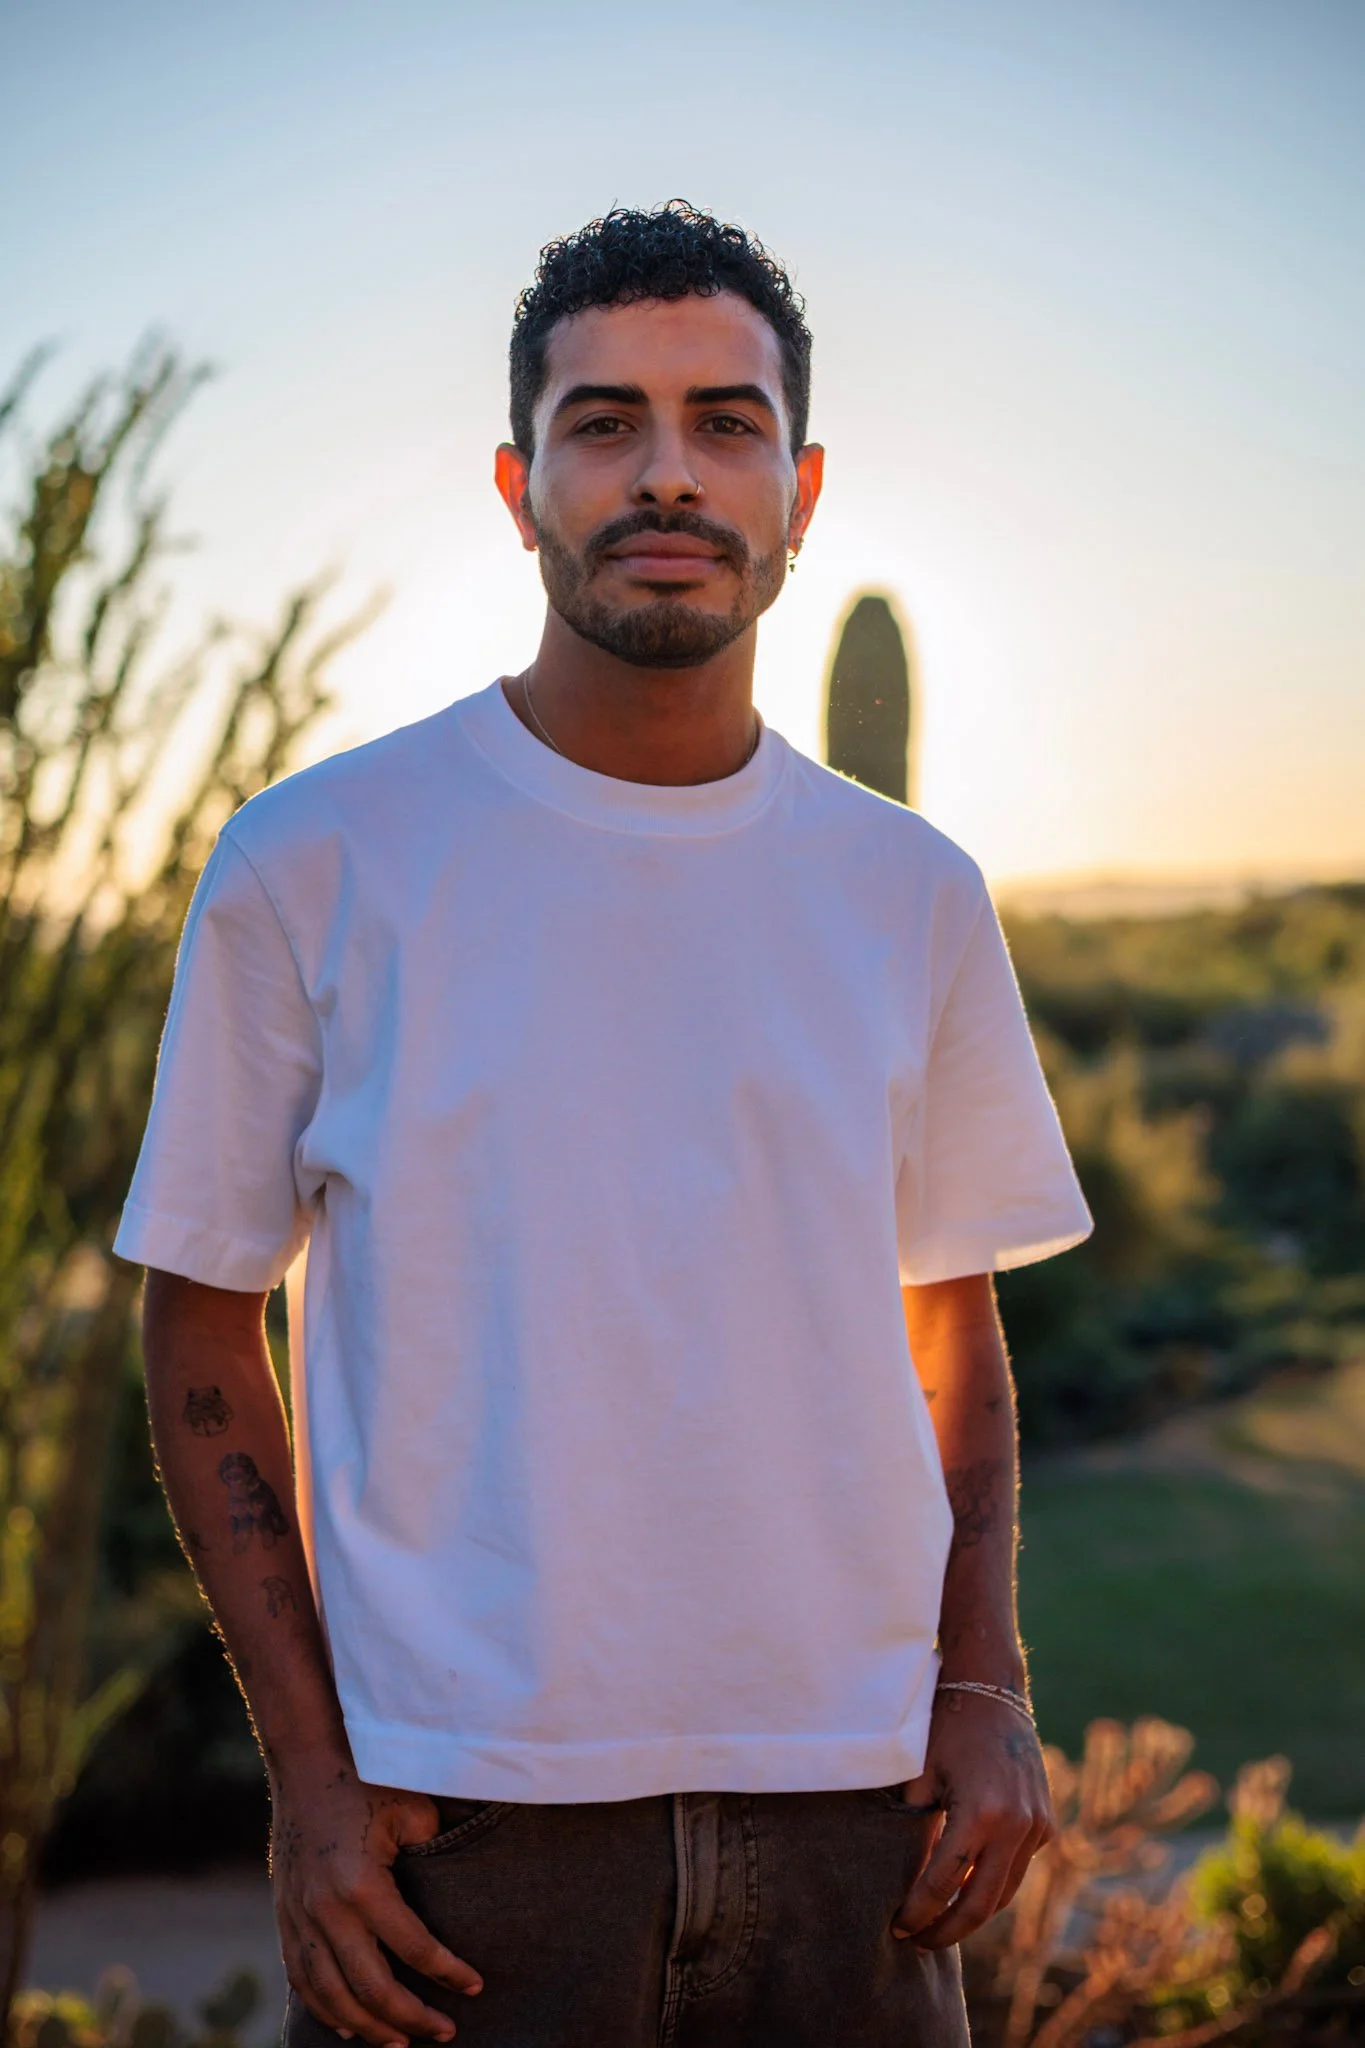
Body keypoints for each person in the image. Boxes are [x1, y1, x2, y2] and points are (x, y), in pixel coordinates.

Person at [115, 201, 1093, 2048]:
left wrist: (984, 1686)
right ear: (519, 486)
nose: (668, 474)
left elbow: (949, 1322)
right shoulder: (316, 861)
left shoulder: (913, 892)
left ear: (800, 491)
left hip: (860, 1820)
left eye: (726, 423)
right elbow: (200, 1323)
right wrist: (311, 1775)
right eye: (604, 423)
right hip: (459, 1835)